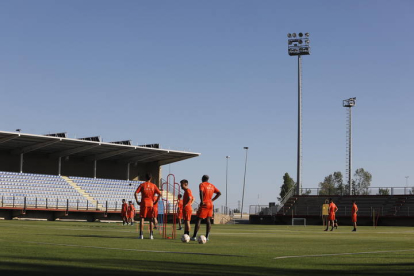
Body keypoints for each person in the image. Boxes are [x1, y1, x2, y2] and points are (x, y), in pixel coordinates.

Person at [191, 175, 221, 241]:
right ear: (208, 179)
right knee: (208, 220)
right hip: (210, 204)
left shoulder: (202, 184)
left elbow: (201, 192)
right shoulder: (212, 185)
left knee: (198, 219)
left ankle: (194, 236)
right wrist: (212, 200)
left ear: (202, 179)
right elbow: (219, 193)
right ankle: (207, 237)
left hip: (204, 203)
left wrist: (202, 201)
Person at [134, 173, 161, 239]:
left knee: (142, 219)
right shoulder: (153, 185)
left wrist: (137, 201)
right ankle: (151, 235)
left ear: (145, 178)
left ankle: (141, 235)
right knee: (151, 219)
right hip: (151, 204)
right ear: (151, 178)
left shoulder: (142, 185)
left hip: (144, 203)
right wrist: (156, 201)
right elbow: (160, 194)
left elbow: (135, 193)